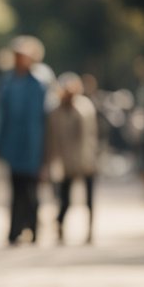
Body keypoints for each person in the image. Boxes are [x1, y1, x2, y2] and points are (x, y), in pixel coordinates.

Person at [0, 36, 49, 245]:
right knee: (15, 186)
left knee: (31, 188)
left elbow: (47, 117)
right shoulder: (6, 82)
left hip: (33, 142)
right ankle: (14, 229)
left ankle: (32, 226)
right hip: (12, 141)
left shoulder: (40, 83)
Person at [44, 72, 99, 244]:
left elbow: (91, 134)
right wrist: (50, 161)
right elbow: (52, 139)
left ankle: (90, 230)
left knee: (89, 200)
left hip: (86, 159)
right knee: (65, 199)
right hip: (66, 161)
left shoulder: (84, 107)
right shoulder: (55, 112)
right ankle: (60, 225)